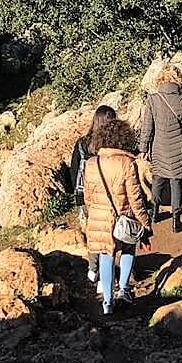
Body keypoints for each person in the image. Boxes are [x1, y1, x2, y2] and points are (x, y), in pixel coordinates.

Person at [82, 116, 151, 315]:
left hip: (99, 218)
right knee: (128, 249)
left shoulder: (92, 163)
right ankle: (123, 289)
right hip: (124, 217)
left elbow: (88, 197)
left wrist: (93, 215)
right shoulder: (127, 163)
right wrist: (145, 223)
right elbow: (135, 198)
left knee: (106, 255)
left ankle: (107, 302)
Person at [141, 65, 182, 233]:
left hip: (158, 146)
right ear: (178, 80)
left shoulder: (153, 99)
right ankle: (176, 220)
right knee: (176, 182)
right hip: (177, 147)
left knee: (157, 179)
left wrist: (143, 148)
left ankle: (154, 214)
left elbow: (147, 127)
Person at [72, 105, 118, 284]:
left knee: (92, 232)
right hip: (108, 194)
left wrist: (78, 196)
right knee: (108, 232)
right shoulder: (112, 145)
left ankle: (93, 269)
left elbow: (74, 170)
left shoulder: (82, 143)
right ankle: (107, 275)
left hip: (85, 194)